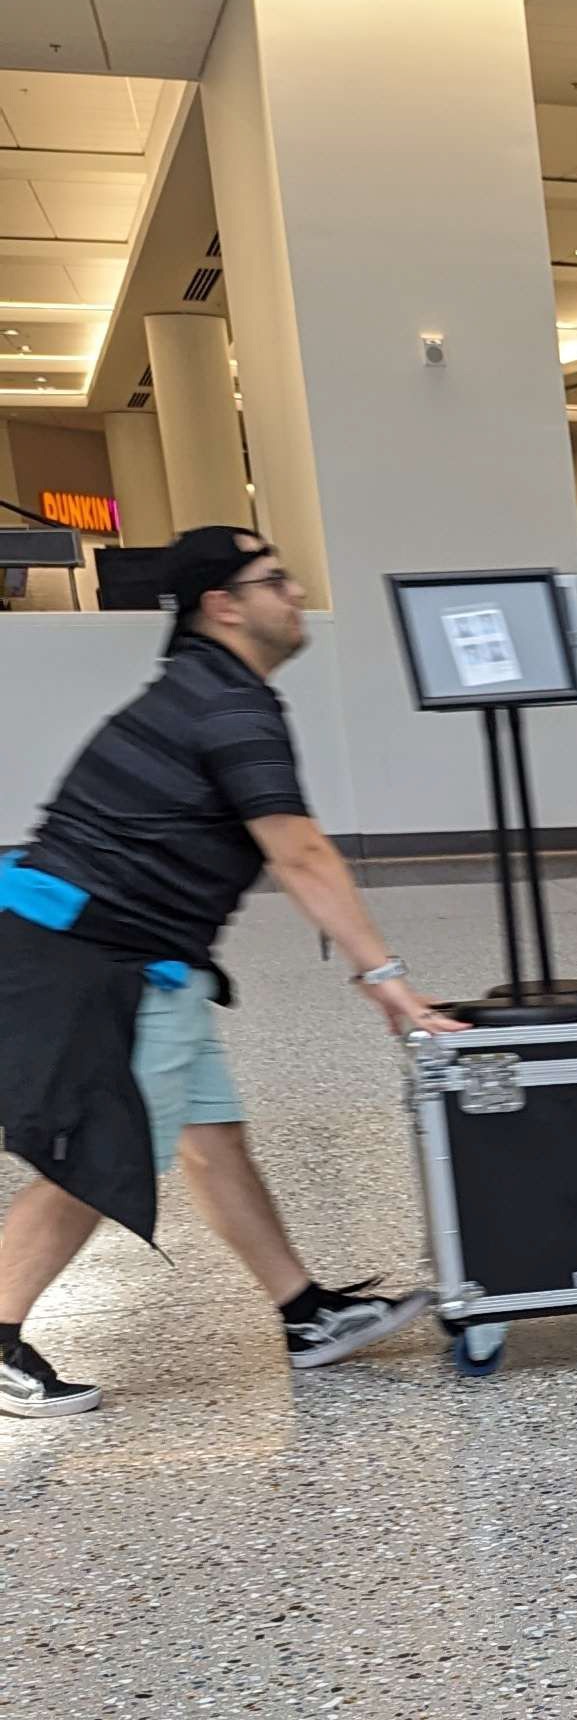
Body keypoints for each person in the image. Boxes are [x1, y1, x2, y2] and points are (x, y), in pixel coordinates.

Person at [0, 526, 452, 1417]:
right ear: (224, 604)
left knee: (212, 1139)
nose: (294, 593)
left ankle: (303, 1313)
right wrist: (387, 979)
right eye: (275, 580)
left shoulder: (209, 691)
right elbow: (302, 853)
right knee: (100, 1156)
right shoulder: (228, 707)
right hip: (102, 962)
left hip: (149, 961)